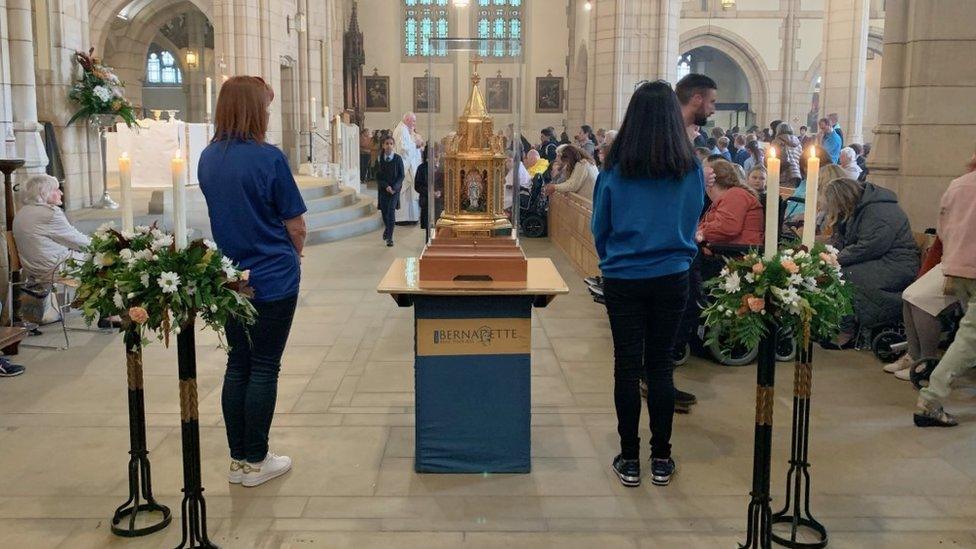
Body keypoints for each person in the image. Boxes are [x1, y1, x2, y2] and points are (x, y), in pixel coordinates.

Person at [591, 81, 704, 489]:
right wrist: (677, 255)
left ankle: (629, 459)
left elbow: (599, 226)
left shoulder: (615, 169)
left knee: (626, 366)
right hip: (671, 275)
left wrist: (615, 259)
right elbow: (692, 222)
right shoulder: (688, 168)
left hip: (623, 276)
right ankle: (661, 458)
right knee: (660, 367)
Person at [199, 75, 307, 488]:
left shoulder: (208, 158)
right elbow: (295, 224)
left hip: (230, 280)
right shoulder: (269, 158)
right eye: (264, 105)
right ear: (252, 109)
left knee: (237, 364)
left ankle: (239, 460)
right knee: (264, 367)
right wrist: (295, 256)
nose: (267, 112)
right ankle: (258, 460)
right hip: (273, 277)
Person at [914, 149, 976, 426]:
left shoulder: (958, 184)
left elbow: (943, 228)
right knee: (969, 339)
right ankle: (931, 399)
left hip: (956, 268)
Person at [819, 178, 919, 349]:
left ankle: (847, 332)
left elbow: (870, 246)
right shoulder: (862, 207)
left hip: (898, 264)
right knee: (834, 271)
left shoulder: (879, 210)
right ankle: (837, 325)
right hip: (882, 259)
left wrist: (836, 258)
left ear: (843, 199)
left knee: (843, 275)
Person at [12, 174, 90, 283]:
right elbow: (77, 241)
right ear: (44, 193)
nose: (61, 193)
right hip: (53, 268)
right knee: (100, 259)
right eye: (56, 189)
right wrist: (99, 244)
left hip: (32, 269)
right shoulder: (50, 213)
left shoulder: (22, 212)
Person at [697, 159, 764, 246]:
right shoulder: (732, 195)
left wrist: (702, 232)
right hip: (727, 250)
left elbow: (727, 227)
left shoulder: (735, 194)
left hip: (737, 254)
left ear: (710, 183)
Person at [392, 112, 423, 223]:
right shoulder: (401, 130)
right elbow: (403, 149)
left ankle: (411, 217)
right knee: (404, 192)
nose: (414, 123)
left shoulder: (404, 129)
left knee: (409, 193)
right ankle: (403, 218)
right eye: (413, 121)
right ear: (408, 120)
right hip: (404, 167)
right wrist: (416, 144)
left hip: (406, 165)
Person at [375, 135, 404, 247]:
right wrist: (385, 186)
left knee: (391, 211)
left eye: (391, 144)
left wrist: (395, 187)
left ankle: (390, 238)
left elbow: (401, 176)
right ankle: (387, 229)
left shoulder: (397, 159)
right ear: (383, 145)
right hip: (383, 190)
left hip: (394, 191)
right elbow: (377, 176)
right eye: (386, 143)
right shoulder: (379, 159)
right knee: (384, 212)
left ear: (394, 145)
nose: (389, 146)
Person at [414, 145, 443, 241]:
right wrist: (429, 192)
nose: (435, 156)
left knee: (441, 228)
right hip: (427, 201)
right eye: (433, 154)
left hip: (439, 202)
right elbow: (417, 186)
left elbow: (448, 184)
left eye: (437, 154)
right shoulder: (421, 168)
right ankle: (428, 245)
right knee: (428, 229)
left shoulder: (443, 167)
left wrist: (440, 192)